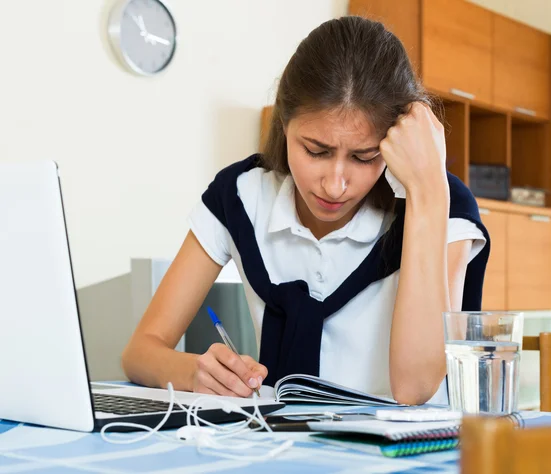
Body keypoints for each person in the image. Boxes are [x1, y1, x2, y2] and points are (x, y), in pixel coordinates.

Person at [121, 15, 489, 405]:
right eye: (315, 151)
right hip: (282, 448)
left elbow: (415, 388)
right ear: (283, 123)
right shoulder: (241, 196)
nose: (334, 184)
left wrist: (428, 190)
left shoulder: (440, 205)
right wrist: (193, 372)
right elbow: (140, 352)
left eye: (364, 157)